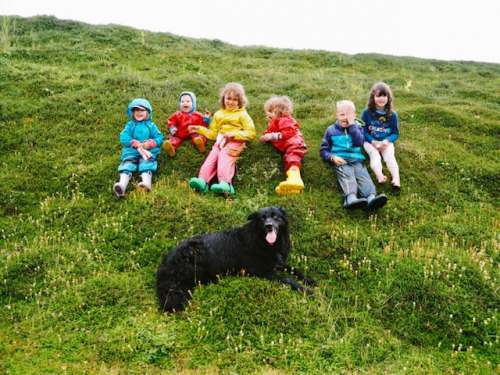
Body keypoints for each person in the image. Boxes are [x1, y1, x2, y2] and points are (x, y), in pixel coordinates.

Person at [188, 82, 256, 196]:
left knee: (225, 158)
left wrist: (234, 134)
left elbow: (251, 132)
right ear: (223, 98)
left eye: (235, 100)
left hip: (235, 142)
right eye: (228, 98)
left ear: (240, 102)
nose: (231, 102)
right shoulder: (218, 114)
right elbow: (213, 134)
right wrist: (199, 129)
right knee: (211, 159)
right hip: (220, 141)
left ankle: (226, 184)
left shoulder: (242, 114)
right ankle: (203, 181)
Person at [320, 100, 387, 210]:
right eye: (342, 114)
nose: (345, 118)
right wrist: (332, 157)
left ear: (354, 116)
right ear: (336, 115)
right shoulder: (331, 130)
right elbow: (324, 150)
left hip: (357, 160)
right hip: (342, 160)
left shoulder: (357, 128)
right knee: (347, 175)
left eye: (349, 115)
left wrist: (352, 126)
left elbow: (359, 142)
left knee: (364, 176)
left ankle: (371, 198)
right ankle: (350, 198)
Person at [113, 98, 164, 197]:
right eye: (136, 110)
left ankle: (146, 183)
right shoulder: (130, 125)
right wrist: (133, 142)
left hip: (146, 151)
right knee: (127, 163)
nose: (139, 113)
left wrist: (150, 143)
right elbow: (123, 136)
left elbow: (159, 137)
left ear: (147, 112)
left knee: (147, 163)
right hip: (132, 151)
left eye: (142, 110)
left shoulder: (151, 125)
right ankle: (122, 185)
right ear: (132, 112)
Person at [259, 95, 307, 195]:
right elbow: (270, 131)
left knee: (292, 158)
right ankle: (293, 188)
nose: (267, 114)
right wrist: (265, 136)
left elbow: (289, 132)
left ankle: (295, 180)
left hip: (295, 144)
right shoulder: (275, 122)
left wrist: (272, 136)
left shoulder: (284, 120)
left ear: (278, 112)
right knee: (288, 159)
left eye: (270, 111)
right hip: (289, 145)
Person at [362, 82, 401, 192]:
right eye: (378, 96)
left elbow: (395, 133)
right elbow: (363, 131)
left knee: (389, 157)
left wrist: (387, 141)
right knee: (375, 155)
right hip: (370, 141)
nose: (381, 99)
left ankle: (396, 178)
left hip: (385, 142)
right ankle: (379, 175)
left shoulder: (392, 115)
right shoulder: (366, 113)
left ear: (388, 98)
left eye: (384, 96)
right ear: (373, 97)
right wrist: (372, 141)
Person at [163, 91, 211, 157]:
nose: (185, 103)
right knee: (174, 139)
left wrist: (206, 119)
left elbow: (203, 125)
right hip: (180, 133)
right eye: (182, 102)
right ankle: (171, 147)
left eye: (188, 101)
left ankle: (200, 143)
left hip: (193, 131)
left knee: (198, 136)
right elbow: (171, 121)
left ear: (193, 104)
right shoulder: (177, 114)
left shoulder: (198, 115)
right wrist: (172, 128)